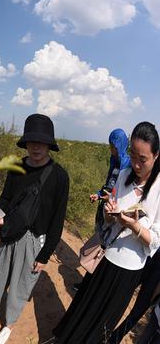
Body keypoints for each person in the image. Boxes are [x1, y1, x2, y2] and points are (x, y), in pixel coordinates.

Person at [52, 121, 160, 344]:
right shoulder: (124, 176)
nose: (137, 165)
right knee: (86, 307)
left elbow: (156, 241)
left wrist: (135, 226)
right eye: (134, 155)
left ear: (156, 156)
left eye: (143, 159)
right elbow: (110, 220)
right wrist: (110, 213)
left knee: (103, 321)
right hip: (108, 257)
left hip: (130, 269)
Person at [0, 113, 69, 344]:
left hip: (35, 239)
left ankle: (9, 324)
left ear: (49, 144)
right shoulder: (16, 167)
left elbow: (57, 218)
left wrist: (45, 255)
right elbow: (5, 200)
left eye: (41, 142)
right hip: (10, 231)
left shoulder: (59, 176)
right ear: (26, 142)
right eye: (32, 141)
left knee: (21, 284)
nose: (36, 146)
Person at [73, 128, 131, 292]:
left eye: (113, 146)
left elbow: (123, 195)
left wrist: (110, 200)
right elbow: (108, 186)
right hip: (104, 211)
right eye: (110, 145)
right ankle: (87, 284)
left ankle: (90, 288)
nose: (111, 149)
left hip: (114, 217)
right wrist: (98, 195)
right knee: (99, 248)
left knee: (103, 252)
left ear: (120, 145)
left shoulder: (127, 166)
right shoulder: (115, 162)